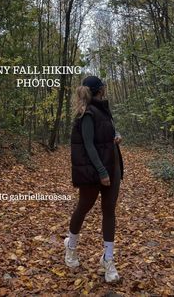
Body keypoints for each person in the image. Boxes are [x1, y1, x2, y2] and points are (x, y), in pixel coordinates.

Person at [64, 75, 124, 283]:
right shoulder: (87, 113)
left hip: (113, 167)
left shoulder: (104, 110)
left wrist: (116, 136)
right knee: (83, 207)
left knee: (109, 212)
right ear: (99, 89)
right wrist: (102, 172)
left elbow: (105, 135)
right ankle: (70, 247)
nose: (106, 88)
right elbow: (89, 145)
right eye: (104, 86)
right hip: (96, 172)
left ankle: (108, 259)